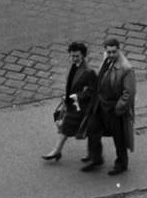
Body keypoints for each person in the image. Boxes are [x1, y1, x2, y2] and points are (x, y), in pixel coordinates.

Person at [82, 37, 135, 176]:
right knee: (92, 129)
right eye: (108, 52)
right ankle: (96, 158)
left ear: (119, 50)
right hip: (99, 104)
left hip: (113, 106)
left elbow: (128, 93)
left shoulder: (126, 68)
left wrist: (119, 109)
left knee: (119, 137)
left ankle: (121, 164)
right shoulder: (106, 59)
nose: (111, 55)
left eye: (114, 52)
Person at [43, 42, 98, 163]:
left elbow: (93, 90)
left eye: (77, 56)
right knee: (70, 125)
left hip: (82, 105)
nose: (74, 58)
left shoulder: (89, 71)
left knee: (81, 127)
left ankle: (60, 151)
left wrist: (77, 96)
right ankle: (59, 151)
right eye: (72, 56)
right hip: (71, 103)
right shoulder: (72, 65)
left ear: (83, 55)